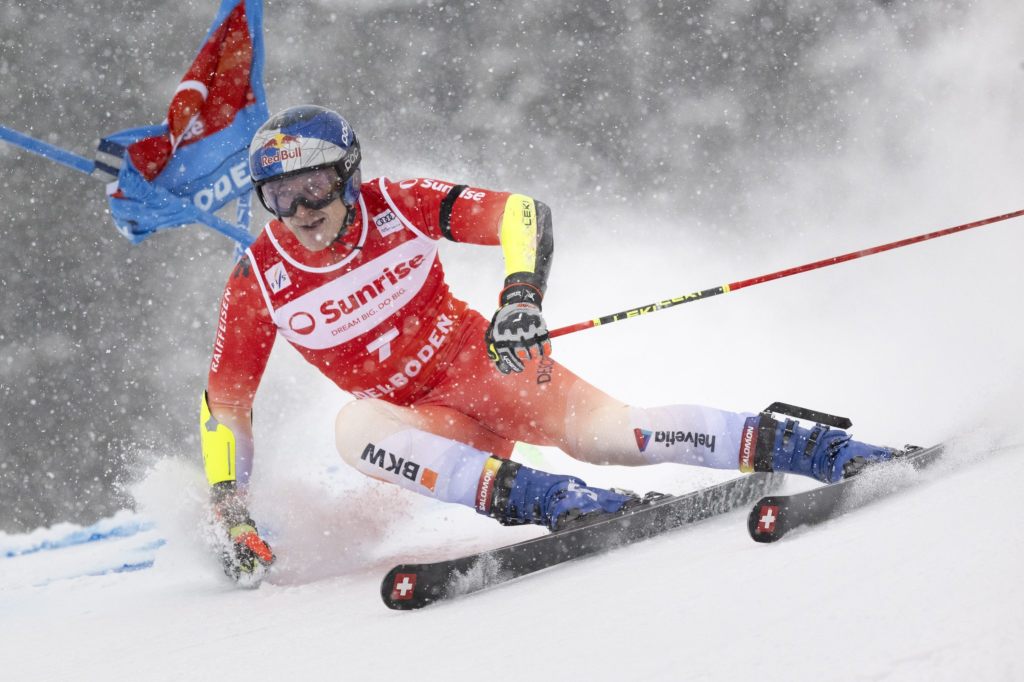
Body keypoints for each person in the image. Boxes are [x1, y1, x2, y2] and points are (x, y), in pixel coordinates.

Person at [200, 105, 898, 583]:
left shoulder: (395, 202)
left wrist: (521, 298)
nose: (302, 211)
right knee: (354, 430)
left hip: (492, 368)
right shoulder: (259, 279)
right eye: (280, 195)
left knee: (615, 434)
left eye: (315, 184)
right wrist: (230, 505)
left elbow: (520, 213)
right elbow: (225, 402)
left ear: (347, 174)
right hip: (431, 430)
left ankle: (814, 448)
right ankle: (551, 499)